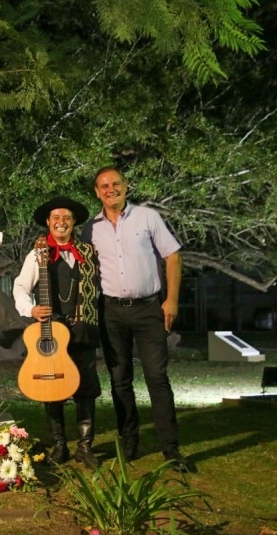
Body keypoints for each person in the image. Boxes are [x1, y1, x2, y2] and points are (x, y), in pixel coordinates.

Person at [80, 167, 189, 473]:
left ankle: (171, 448)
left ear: (126, 187)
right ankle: (129, 441)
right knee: (120, 380)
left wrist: (172, 300)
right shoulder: (91, 229)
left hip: (148, 308)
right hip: (110, 311)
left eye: (115, 184)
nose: (110, 189)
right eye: (103, 186)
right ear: (96, 192)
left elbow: (173, 256)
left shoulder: (147, 217)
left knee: (157, 377)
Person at [13, 197, 102, 468]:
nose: (61, 222)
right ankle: (59, 444)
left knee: (86, 387)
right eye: (56, 218)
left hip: (82, 326)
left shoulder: (88, 252)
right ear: (48, 223)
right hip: (51, 330)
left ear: (74, 223)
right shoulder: (38, 253)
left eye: (67, 218)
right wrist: (31, 310)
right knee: (51, 385)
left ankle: (85, 447)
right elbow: (19, 287)